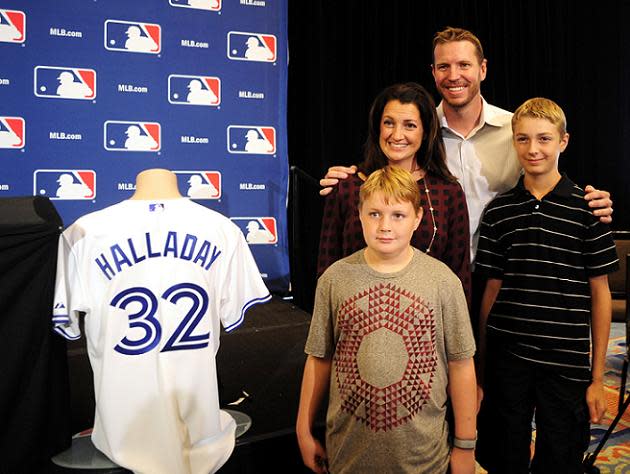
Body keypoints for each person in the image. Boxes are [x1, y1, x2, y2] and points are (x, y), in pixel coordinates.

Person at [319, 26, 613, 331]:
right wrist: (348, 178)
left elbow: (546, 177)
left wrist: (589, 200)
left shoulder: (515, 131)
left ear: (482, 69)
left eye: (464, 65)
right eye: (444, 66)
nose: (453, 75)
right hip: (429, 281)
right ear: (433, 73)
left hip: (503, 279)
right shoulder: (419, 131)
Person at [297, 166, 477, 474]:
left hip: (423, 457)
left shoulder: (443, 282)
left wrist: (465, 444)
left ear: (417, 218)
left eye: (398, 215)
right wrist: (303, 430)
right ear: (360, 214)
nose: (385, 226)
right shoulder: (335, 279)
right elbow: (319, 358)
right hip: (347, 454)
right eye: (375, 214)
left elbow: (461, 365)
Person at [474, 98, 618, 473]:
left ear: (563, 141)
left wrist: (597, 377)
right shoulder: (499, 211)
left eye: (543, 139)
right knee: (504, 455)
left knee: (561, 457)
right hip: (508, 359)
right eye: (523, 139)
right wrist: (481, 368)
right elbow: (491, 290)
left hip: (566, 363)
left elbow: (600, 294)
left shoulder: (589, 209)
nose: (533, 149)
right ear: (514, 142)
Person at [318, 82, 471, 303]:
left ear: (426, 131)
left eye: (409, 125)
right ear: (377, 127)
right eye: (389, 123)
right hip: (356, 318)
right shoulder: (348, 186)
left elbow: (460, 277)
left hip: (426, 324)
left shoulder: (448, 192)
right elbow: (327, 268)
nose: (397, 134)